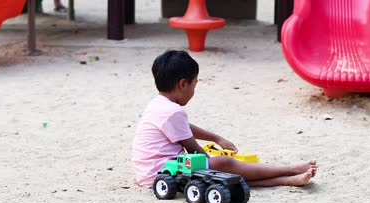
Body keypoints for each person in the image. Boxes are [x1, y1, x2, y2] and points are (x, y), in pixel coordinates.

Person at [132, 50, 318, 188]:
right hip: (162, 176)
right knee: (223, 165)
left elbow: (184, 128)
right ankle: (288, 170)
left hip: (148, 172)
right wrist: (216, 161)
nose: (194, 90)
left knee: (224, 170)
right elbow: (197, 153)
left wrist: (216, 139)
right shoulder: (173, 112)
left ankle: (288, 180)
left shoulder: (158, 105)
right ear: (183, 84)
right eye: (194, 84)